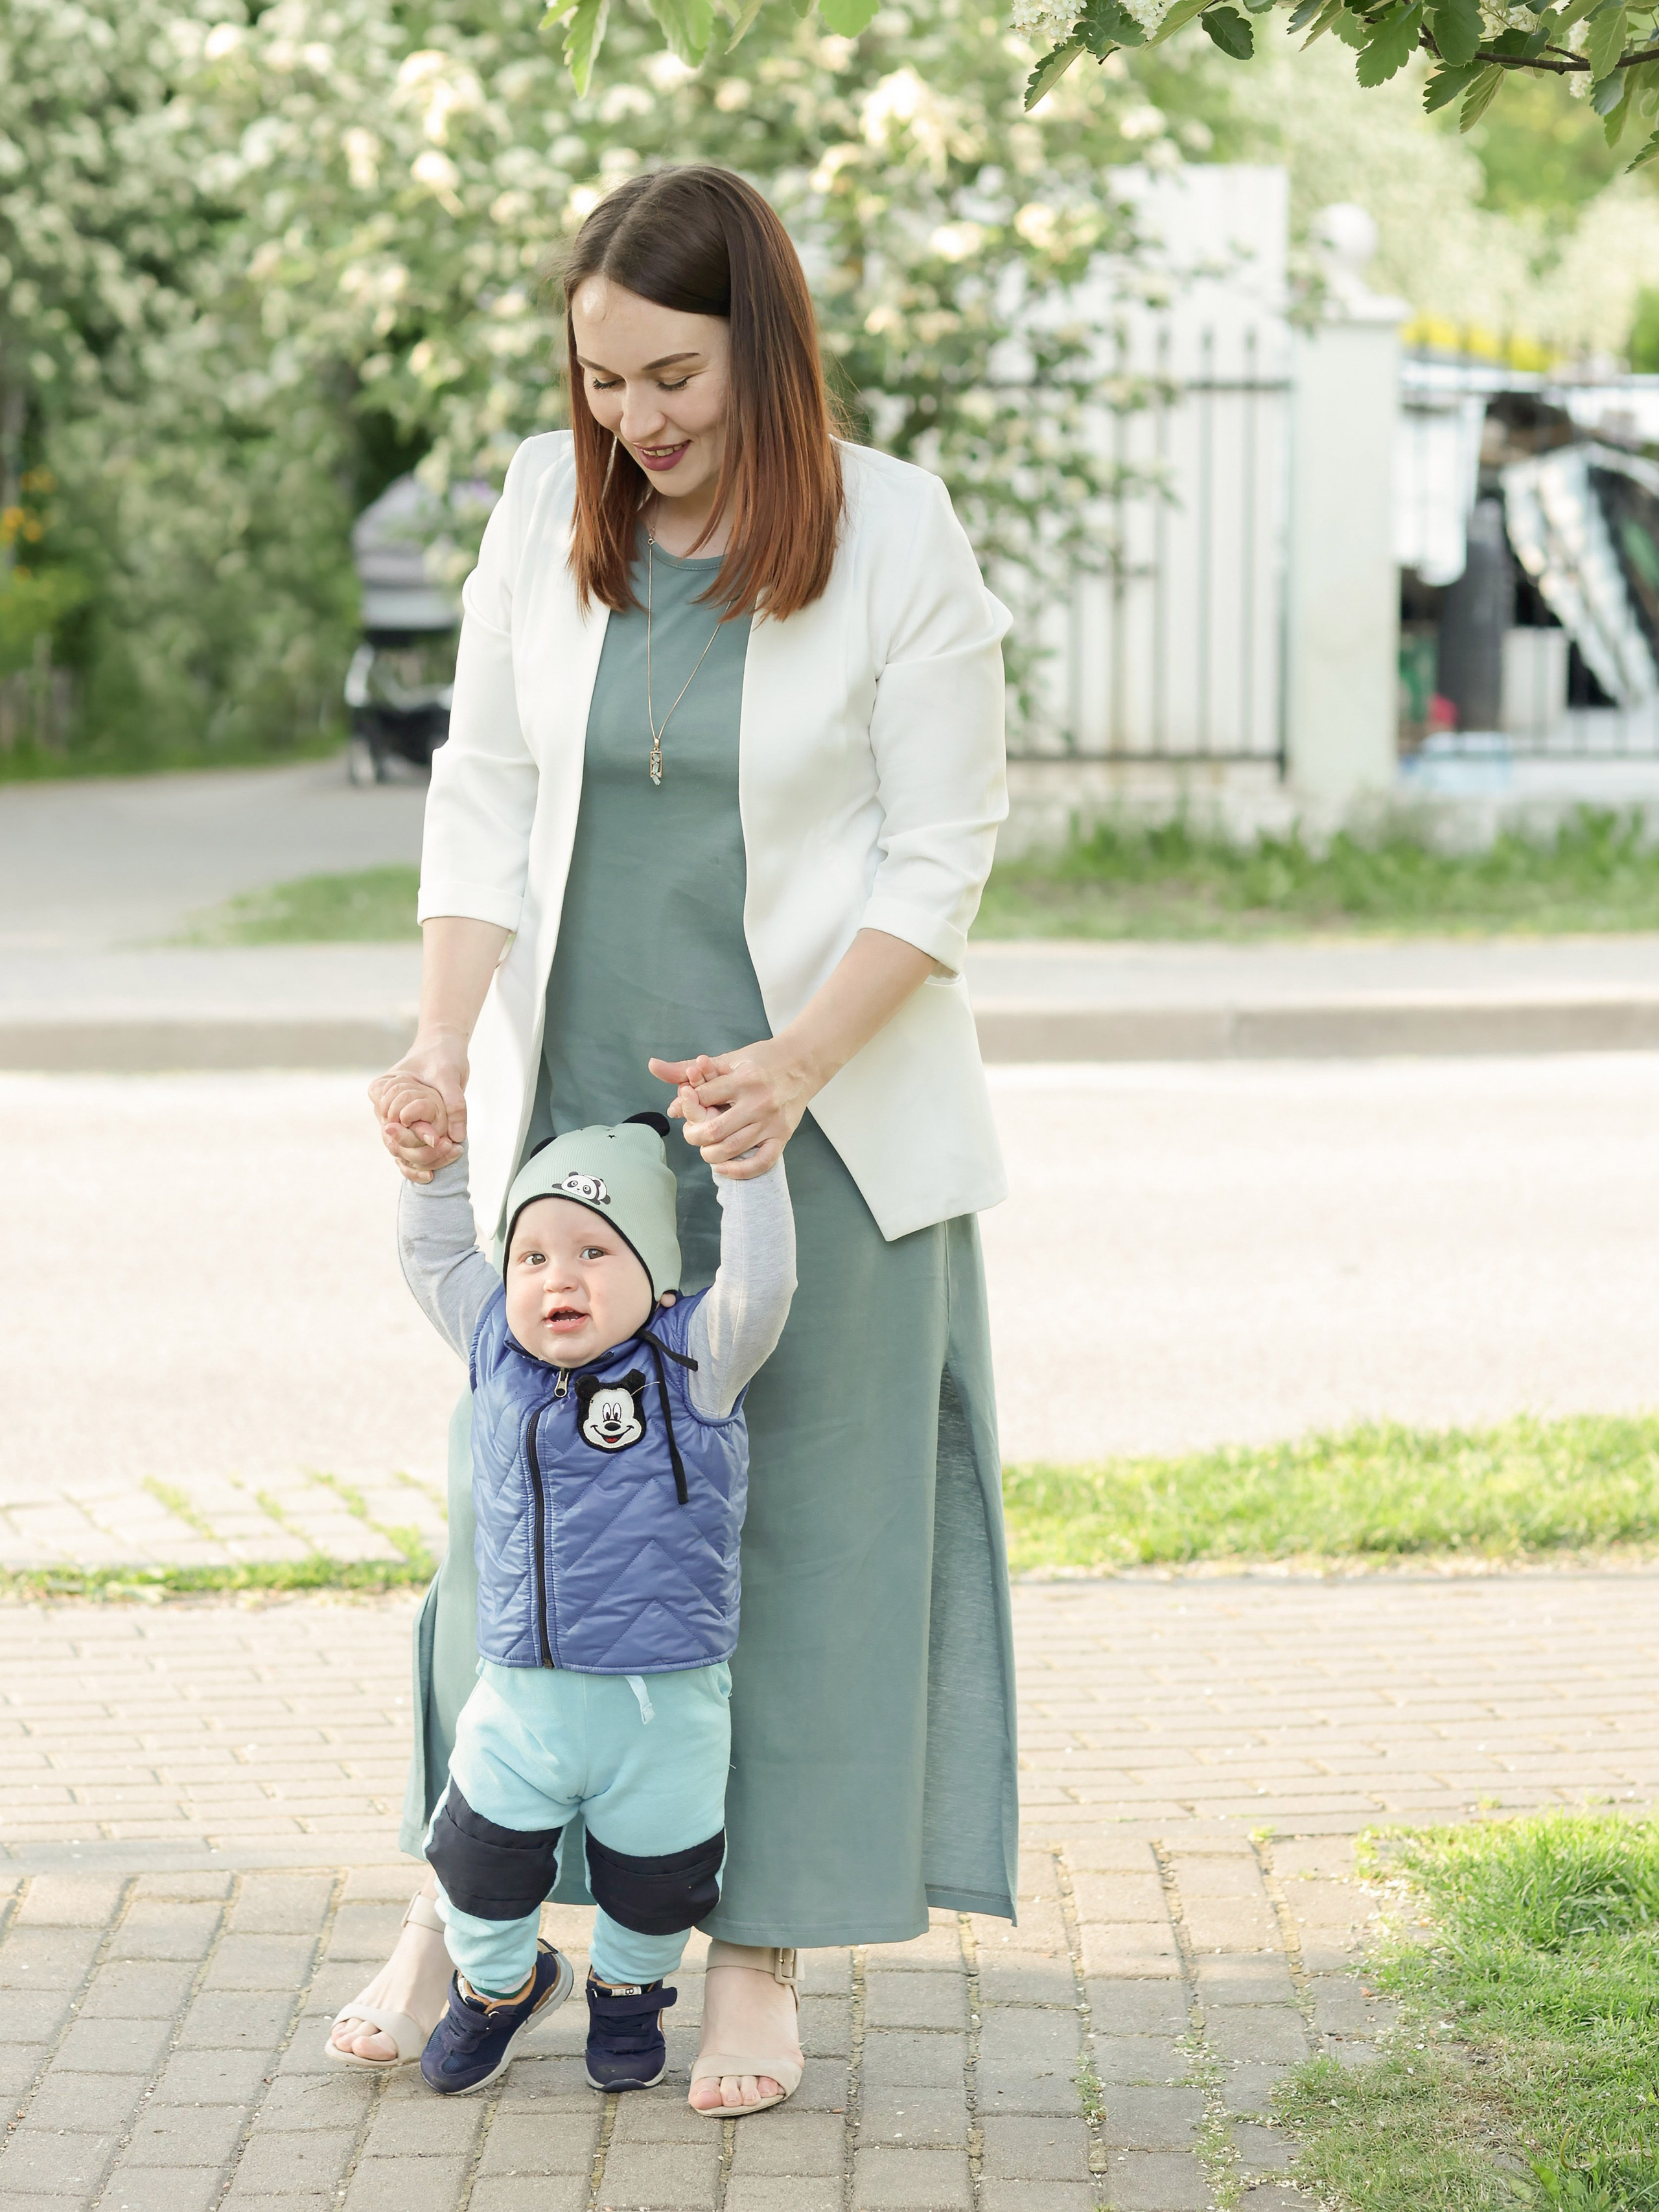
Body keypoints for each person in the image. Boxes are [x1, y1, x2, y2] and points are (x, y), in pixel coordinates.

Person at [332, 162, 1019, 2116]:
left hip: (823, 1119)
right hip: (580, 1131)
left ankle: (759, 1951)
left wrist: (794, 1064)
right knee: (518, 1509)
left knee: (796, 1537)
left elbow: (941, 846)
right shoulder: (546, 509)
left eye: (669, 375)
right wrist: (440, 1044)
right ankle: (462, 1912)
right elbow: (481, 785)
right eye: (601, 379)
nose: (633, 419)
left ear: (764, 344)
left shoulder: (895, 529)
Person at [382, 1110, 796, 2104]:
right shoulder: (496, 1348)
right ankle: (497, 1987)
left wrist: (747, 1168)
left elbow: (765, 1280)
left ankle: (628, 1995)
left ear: (654, 1273)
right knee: (475, 1869)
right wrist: (436, 1171)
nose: (555, 1278)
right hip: (520, 1699)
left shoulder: (700, 1354)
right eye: (530, 1254)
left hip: (665, 1704)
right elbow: (436, 1255)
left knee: (660, 1881)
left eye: (591, 1252)